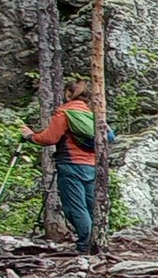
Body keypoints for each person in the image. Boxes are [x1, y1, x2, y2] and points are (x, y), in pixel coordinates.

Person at [23, 80, 100, 253]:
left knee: (75, 207)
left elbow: (49, 138)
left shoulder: (65, 113)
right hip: (91, 165)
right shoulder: (93, 114)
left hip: (70, 164)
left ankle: (84, 246)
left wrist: (30, 136)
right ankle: (97, 243)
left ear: (67, 94)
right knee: (90, 205)